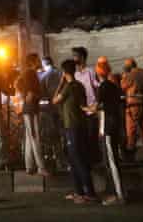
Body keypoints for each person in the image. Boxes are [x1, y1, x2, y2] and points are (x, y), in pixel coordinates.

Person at [53, 59, 97, 204]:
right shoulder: (80, 86)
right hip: (80, 125)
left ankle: (89, 193)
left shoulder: (69, 87)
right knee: (74, 159)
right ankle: (79, 191)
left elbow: (55, 100)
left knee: (77, 159)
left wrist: (60, 83)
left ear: (64, 73)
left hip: (72, 126)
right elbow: (82, 105)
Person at [95, 62, 125, 205]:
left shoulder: (103, 87)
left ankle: (118, 195)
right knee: (113, 160)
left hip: (107, 126)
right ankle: (117, 192)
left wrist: (87, 109)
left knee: (111, 161)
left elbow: (97, 106)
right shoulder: (113, 86)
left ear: (100, 71)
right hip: (114, 126)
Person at [17, 53, 48, 175]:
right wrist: (31, 96)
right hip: (31, 109)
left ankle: (29, 166)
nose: (40, 62)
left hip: (29, 109)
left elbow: (18, 84)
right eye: (38, 60)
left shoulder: (27, 73)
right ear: (33, 62)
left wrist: (24, 95)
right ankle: (41, 167)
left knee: (30, 138)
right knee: (35, 137)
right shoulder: (30, 73)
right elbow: (30, 92)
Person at [72, 46, 101, 164]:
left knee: (92, 136)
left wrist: (96, 105)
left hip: (90, 109)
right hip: (79, 110)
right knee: (82, 137)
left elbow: (97, 87)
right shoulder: (74, 74)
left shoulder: (90, 71)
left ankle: (95, 160)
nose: (73, 58)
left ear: (82, 57)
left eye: (75, 56)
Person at [121, 58, 143, 161]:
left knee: (131, 130)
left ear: (129, 66)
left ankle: (131, 155)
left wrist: (124, 76)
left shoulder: (130, 75)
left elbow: (123, 86)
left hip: (133, 106)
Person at [38, 56, 64, 168]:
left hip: (47, 109)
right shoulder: (60, 74)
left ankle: (51, 160)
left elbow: (41, 93)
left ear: (44, 64)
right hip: (59, 108)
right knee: (59, 135)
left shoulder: (42, 76)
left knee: (49, 136)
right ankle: (60, 160)